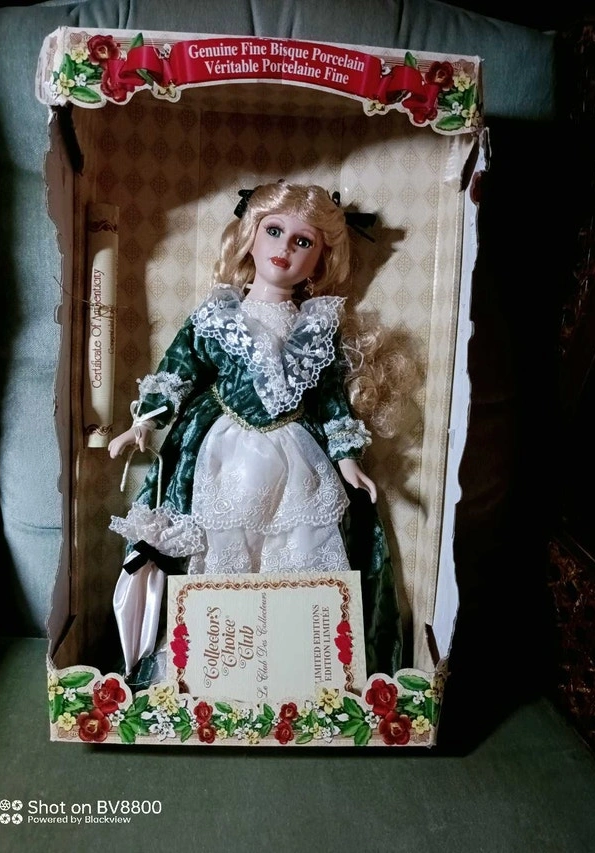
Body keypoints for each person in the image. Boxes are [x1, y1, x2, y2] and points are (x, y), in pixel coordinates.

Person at [108, 181, 403, 679]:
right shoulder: (218, 315)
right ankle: (212, 666)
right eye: (274, 231)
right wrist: (144, 421)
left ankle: (298, 669)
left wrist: (348, 458)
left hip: (298, 457)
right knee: (221, 547)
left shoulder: (318, 326)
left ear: (321, 258)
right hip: (221, 453)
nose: (285, 248)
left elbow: (330, 397)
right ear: (250, 236)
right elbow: (180, 368)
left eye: (303, 241)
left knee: (300, 548)